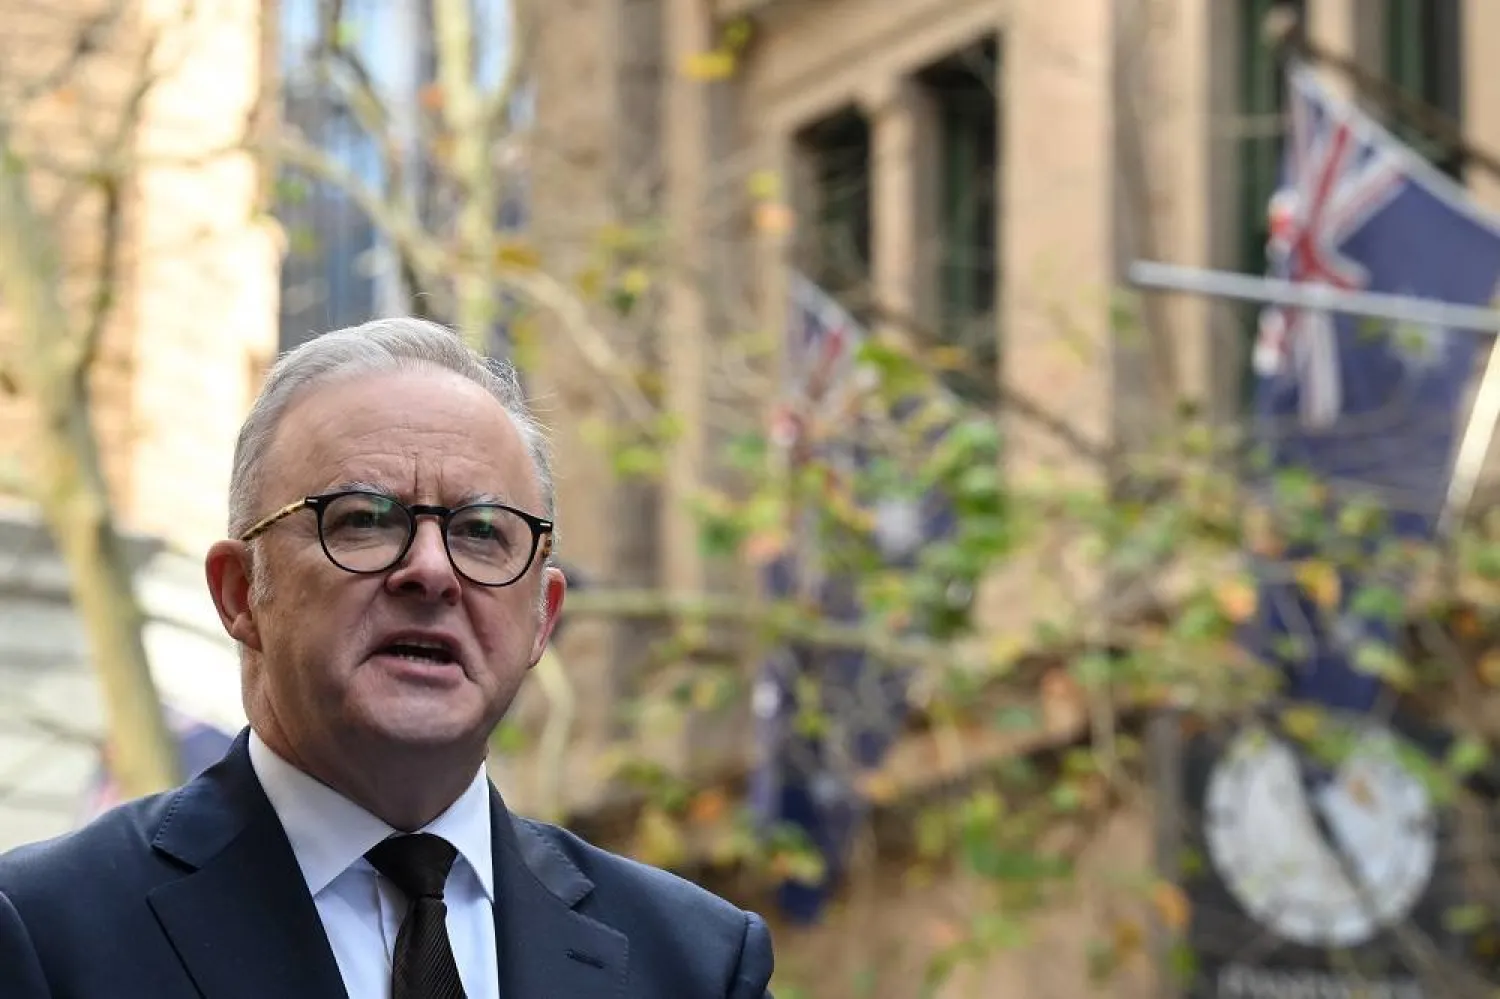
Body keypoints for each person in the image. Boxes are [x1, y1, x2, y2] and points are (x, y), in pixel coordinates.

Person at [0, 318, 775, 998]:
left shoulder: (697, 963)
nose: (432, 570)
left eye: (481, 531)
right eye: (365, 518)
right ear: (239, 592)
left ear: (542, 616)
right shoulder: (45, 931)